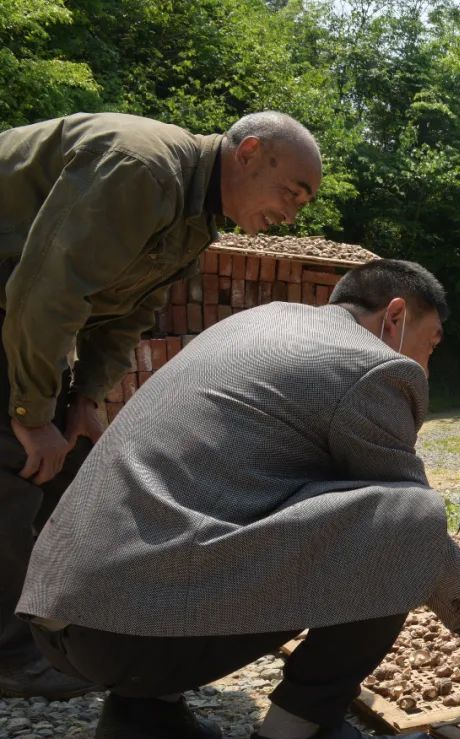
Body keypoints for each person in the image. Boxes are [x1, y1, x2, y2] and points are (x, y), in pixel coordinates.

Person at [16, 260, 460, 739]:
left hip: (58, 618)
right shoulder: (370, 365)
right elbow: (410, 528)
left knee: (205, 505)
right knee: (411, 513)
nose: (425, 365)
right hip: (131, 635)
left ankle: (142, 713)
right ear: (394, 317)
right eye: (430, 344)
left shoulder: (255, 325)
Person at [0, 110, 323, 698]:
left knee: (69, 467)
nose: (292, 213)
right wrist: (31, 415)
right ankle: (13, 656)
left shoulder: (195, 218)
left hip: (21, 316)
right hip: (17, 308)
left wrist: (82, 401)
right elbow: (47, 292)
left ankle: (55, 631)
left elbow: (129, 313)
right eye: (291, 192)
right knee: (14, 470)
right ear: (249, 152)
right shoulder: (141, 170)